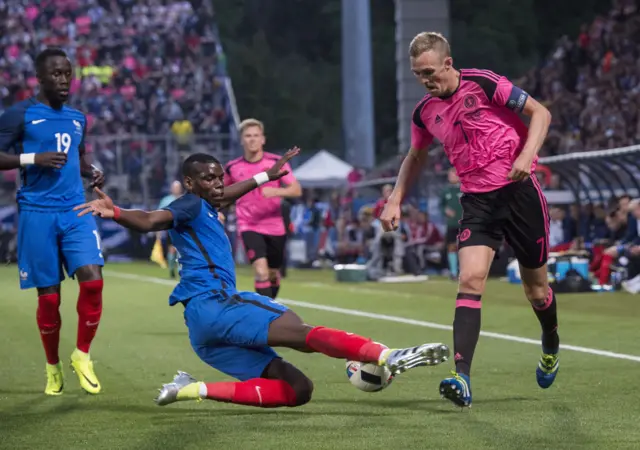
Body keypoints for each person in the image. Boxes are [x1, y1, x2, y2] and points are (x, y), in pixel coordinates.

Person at [74, 148, 450, 409]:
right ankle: (386, 354)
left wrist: (263, 176)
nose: (218, 184)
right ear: (190, 184)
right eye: (209, 179)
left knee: (297, 388)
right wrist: (118, 211)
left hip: (202, 333)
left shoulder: (205, 201)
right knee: (297, 330)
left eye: (220, 177)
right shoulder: (188, 205)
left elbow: (225, 196)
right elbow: (152, 220)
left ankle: (190, 389)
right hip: (216, 302)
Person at [380, 32, 558, 408]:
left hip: (519, 193)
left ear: (447, 63)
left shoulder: (485, 83)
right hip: (477, 203)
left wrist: (527, 156)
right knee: (470, 279)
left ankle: (550, 343)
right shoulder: (423, 113)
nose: (424, 80)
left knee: (537, 290)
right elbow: (415, 156)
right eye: (417, 74)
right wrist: (395, 198)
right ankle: (461, 377)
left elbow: (541, 113)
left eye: (429, 71)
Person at [0, 48, 105, 395]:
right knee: (49, 300)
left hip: (76, 209)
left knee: (93, 282)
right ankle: (52, 366)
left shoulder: (78, 117)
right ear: (40, 78)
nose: (63, 80)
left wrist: (91, 171)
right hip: (37, 214)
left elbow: (77, 153)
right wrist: (33, 158)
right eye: (56, 74)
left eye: (68, 74)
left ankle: (82, 355)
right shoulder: (20, 114)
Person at [224, 119, 302, 299]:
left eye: (256, 136)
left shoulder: (276, 162)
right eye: (248, 136)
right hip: (248, 224)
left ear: (263, 139)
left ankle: (271, 307)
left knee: (273, 273)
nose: (252, 140)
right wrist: (219, 211)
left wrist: (276, 190)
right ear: (242, 140)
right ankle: (266, 316)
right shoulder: (232, 167)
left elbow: (296, 189)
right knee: (260, 271)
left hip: (275, 225)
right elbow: (223, 194)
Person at [156, 180, 184, 278]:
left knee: (182, 251)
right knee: (172, 250)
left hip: (184, 229)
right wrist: (158, 232)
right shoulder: (166, 200)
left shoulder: (185, 199)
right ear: (172, 189)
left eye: (178, 187)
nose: (176, 189)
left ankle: (180, 270)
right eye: (174, 187)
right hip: (171, 229)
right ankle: (172, 269)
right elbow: (159, 215)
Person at [440, 167, 462, 279]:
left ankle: (465, 271)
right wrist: (445, 210)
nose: (451, 177)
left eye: (453, 174)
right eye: (450, 175)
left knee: (465, 248)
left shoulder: (464, 190)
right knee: (451, 247)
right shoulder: (445, 191)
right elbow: (441, 205)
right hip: (452, 224)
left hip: (464, 223)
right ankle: (453, 272)